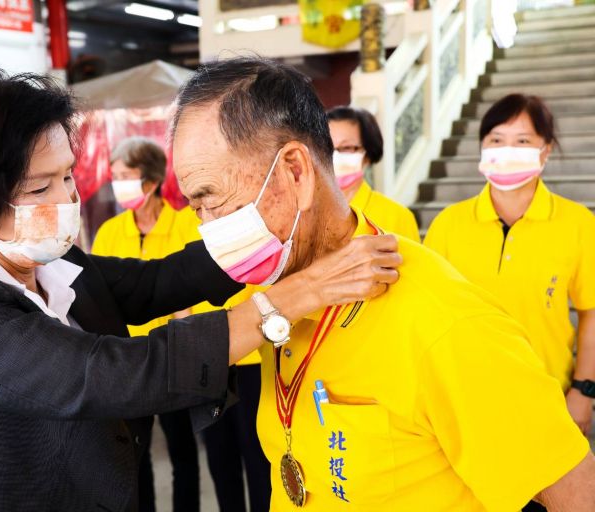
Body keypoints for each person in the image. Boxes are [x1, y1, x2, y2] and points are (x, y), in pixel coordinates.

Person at [0, 66, 401, 511]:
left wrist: (260, 225)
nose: (68, 197)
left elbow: (160, 281)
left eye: (69, 176)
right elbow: (106, 374)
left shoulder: (52, 264)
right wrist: (291, 298)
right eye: (39, 188)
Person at [170, 57, 595, 511]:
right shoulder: (283, 299)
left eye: (210, 198)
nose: (208, 227)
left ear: (295, 171)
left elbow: (575, 494)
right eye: (196, 209)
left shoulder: (443, 324)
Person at [423, 94, 595, 511]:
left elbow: (590, 312)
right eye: (496, 140)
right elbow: (425, 314)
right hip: (465, 407)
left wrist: (584, 391)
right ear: (482, 148)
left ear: (545, 149)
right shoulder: (448, 225)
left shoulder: (577, 224)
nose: (507, 152)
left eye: (522, 141)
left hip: (547, 401)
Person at [91, 136, 203, 512]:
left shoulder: (187, 224)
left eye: (126, 175)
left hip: (174, 358)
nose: (118, 184)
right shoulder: (108, 232)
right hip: (128, 364)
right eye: (115, 175)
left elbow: (199, 286)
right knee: (134, 457)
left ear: (151, 181)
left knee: (183, 451)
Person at [326, 105, 420, 241]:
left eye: (346, 147)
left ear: (367, 154)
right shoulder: (303, 215)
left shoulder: (397, 217)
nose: (334, 156)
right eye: (326, 147)